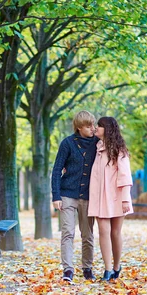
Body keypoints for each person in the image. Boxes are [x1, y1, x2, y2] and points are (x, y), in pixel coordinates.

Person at [51, 111, 98, 282]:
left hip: (88, 197)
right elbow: (57, 170)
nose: (92, 128)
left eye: (93, 125)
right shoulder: (67, 143)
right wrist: (56, 196)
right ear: (79, 128)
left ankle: (87, 268)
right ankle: (68, 270)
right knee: (68, 233)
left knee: (87, 235)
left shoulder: (98, 144)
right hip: (67, 195)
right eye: (88, 126)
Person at [88, 116, 133, 281]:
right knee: (103, 231)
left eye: (99, 126)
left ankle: (116, 266)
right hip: (100, 198)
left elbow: (125, 176)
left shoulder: (119, 151)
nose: (96, 129)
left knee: (115, 232)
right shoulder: (97, 148)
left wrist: (126, 199)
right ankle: (107, 270)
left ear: (107, 129)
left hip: (117, 197)